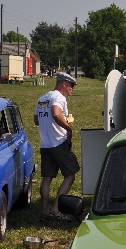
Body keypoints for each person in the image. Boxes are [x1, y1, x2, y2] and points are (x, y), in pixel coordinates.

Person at [34, 72, 80, 222]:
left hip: (45, 144)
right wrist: (68, 128)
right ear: (64, 84)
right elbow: (55, 113)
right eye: (71, 86)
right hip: (58, 142)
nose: (72, 90)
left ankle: (44, 211)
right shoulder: (58, 97)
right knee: (70, 175)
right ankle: (56, 210)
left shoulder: (42, 98)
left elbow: (36, 120)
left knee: (47, 178)